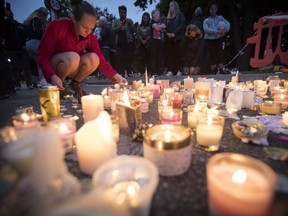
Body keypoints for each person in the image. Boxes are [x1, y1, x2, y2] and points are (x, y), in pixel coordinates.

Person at [37, 0, 127, 96]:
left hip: (72, 67)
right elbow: (42, 55)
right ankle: (59, 87)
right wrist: (51, 75)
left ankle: (74, 85)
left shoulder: (89, 36)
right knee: (73, 57)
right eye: (85, 27)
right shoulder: (57, 27)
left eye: (92, 28)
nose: (88, 32)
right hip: (55, 66)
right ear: (74, 19)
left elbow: (101, 60)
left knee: (94, 58)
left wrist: (115, 76)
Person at [4, 9, 33, 89]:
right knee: (14, 67)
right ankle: (17, 84)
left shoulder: (19, 25)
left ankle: (29, 83)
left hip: (22, 49)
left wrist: (24, 44)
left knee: (26, 66)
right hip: (11, 49)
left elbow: (25, 35)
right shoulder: (6, 24)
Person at [23, 6, 48, 87]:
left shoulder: (28, 21)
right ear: (41, 13)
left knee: (38, 63)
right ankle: (44, 81)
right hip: (36, 42)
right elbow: (38, 30)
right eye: (45, 14)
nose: (46, 16)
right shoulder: (37, 19)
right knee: (45, 61)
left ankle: (41, 81)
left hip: (29, 43)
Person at [203, 1, 230, 74]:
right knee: (212, 54)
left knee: (219, 53)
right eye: (211, 9)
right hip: (210, 39)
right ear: (209, 10)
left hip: (219, 38)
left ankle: (221, 68)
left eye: (214, 9)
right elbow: (206, 29)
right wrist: (216, 32)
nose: (213, 11)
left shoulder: (220, 18)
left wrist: (225, 30)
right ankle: (213, 69)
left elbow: (228, 23)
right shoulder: (206, 20)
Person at [112, 5, 135, 77]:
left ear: (126, 13)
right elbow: (112, 31)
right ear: (119, 13)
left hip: (128, 42)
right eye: (121, 13)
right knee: (120, 58)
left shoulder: (129, 20)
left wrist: (129, 24)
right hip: (119, 42)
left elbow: (133, 30)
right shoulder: (116, 21)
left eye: (124, 13)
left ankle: (129, 72)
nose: (123, 14)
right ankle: (121, 73)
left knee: (129, 57)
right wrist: (119, 28)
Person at [164, 1, 186, 76]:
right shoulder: (167, 18)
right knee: (170, 55)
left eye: (172, 5)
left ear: (176, 6)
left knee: (178, 55)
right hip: (169, 40)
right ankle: (171, 70)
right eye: (169, 6)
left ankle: (179, 70)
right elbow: (164, 27)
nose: (170, 7)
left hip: (178, 39)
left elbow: (182, 25)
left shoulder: (180, 15)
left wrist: (174, 33)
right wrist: (167, 33)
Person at [150, 9, 166, 76]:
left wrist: (160, 26)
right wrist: (160, 26)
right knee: (154, 57)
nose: (158, 15)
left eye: (159, 13)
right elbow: (156, 28)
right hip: (154, 42)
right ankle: (154, 72)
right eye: (156, 13)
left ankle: (160, 71)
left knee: (160, 57)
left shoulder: (161, 22)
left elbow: (164, 26)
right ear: (153, 15)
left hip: (160, 42)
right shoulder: (152, 22)